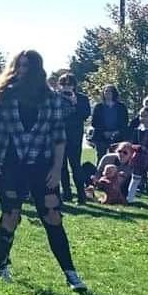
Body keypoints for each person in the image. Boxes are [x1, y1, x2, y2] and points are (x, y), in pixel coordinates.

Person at [0, 50, 86, 292]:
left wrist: (56, 167)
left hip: (41, 163)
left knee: (52, 215)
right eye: (20, 66)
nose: (24, 71)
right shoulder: (0, 95)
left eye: (29, 67)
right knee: (11, 215)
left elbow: (59, 136)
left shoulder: (50, 98)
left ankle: (70, 272)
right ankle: (1, 264)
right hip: (10, 162)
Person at [56, 74, 92, 204]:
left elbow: (85, 114)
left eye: (69, 84)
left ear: (74, 85)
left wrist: (74, 103)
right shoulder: (55, 98)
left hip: (74, 137)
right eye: (63, 84)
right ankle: (67, 194)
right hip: (59, 135)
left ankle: (81, 195)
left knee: (75, 165)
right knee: (61, 166)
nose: (66, 87)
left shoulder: (81, 98)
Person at [90, 84, 129, 160]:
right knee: (101, 157)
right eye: (106, 91)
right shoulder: (98, 107)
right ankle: (100, 171)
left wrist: (116, 132)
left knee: (117, 157)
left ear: (114, 93)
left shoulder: (121, 107)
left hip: (118, 136)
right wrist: (104, 132)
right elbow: (94, 122)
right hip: (101, 136)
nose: (107, 93)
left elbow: (125, 122)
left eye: (110, 92)